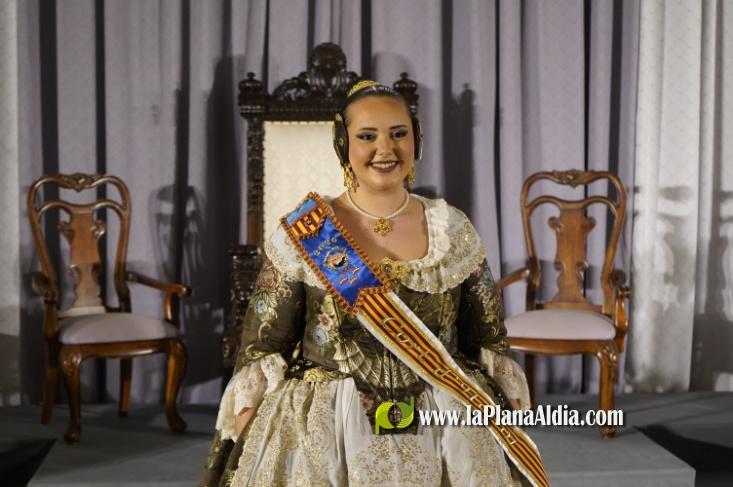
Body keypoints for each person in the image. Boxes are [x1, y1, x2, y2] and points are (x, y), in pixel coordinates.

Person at [200, 81, 545, 487]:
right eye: (367, 136)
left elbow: (487, 338)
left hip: (445, 419)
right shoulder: (308, 232)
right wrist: (250, 432)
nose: (386, 149)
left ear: (416, 138)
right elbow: (262, 345)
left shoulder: (453, 230)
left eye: (399, 133)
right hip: (326, 424)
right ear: (343, 143)